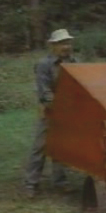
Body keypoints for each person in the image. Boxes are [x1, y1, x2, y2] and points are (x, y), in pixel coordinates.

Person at [24, 29, 78, 198]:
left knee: (61, 147)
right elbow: (44, 92)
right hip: (48, 111)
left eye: (68, 43)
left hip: (68, 111)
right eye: (62, 43)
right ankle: (30, 184)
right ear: (53, 46)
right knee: (40, 146)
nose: (66, 47)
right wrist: (58, 107)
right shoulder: (44, 64)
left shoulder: (75, 62)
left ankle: (60, 182)